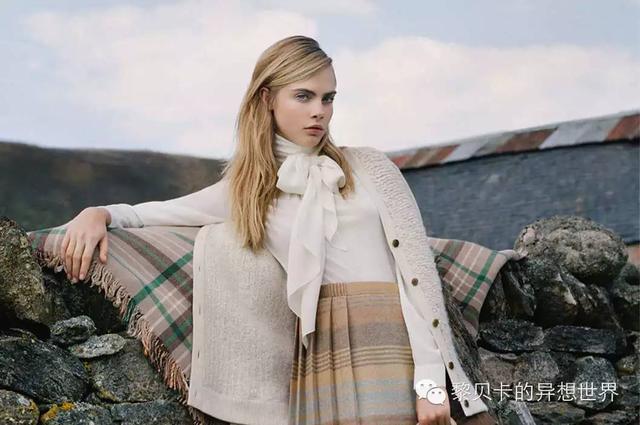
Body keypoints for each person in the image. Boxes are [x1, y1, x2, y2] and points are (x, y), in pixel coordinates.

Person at [60, 35, 495, 425]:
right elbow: (154, 214)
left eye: (328, 98)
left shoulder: (371, 168)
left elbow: (415, 279)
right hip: (320, 358)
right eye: (303, 96)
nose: (319, 111)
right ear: (267, 98)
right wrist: (98, 213)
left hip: (396, 345)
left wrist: (429, 384)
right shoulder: (247, 190)